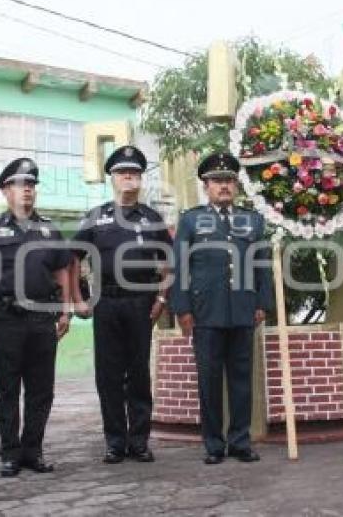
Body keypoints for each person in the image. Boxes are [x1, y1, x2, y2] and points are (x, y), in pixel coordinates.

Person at [0, 158, 72, 477]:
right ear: (5, 190)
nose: (27, 191)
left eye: (32, 186)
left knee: (41, 390)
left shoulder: (49, 228)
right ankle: (10, 453)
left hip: (42, 320)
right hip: (5, 319)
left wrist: (65, 311)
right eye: (21, 185)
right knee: (8, 388)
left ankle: (33, 451)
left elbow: (62, 270)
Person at [169, 152, 273, 464]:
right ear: (206, 186)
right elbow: (180, 267)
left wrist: (262, 302)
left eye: (228, 180)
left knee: (242, 379)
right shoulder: (190, 220)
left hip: (243, 310)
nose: (223, 186)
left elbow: (261, 265)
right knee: (209, 381)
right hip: (206, 312)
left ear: (236, 185)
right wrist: (183, 308)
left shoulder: (252, 220)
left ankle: (240, 442)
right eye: (217, 181)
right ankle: (214, 445)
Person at [71, 146, 172, 464]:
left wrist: (161, 298)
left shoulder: (151, 218)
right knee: (109, 375)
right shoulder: (95, 216)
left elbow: (169, 261)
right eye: (122, 172)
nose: (129, 177)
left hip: (141, 304)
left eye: (135, 173)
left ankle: (139, 441)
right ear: (112, 178)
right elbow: (73, 259)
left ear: (140, 179)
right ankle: (115, 442)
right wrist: (78, 299)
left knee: (139, 374)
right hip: (107, 303)